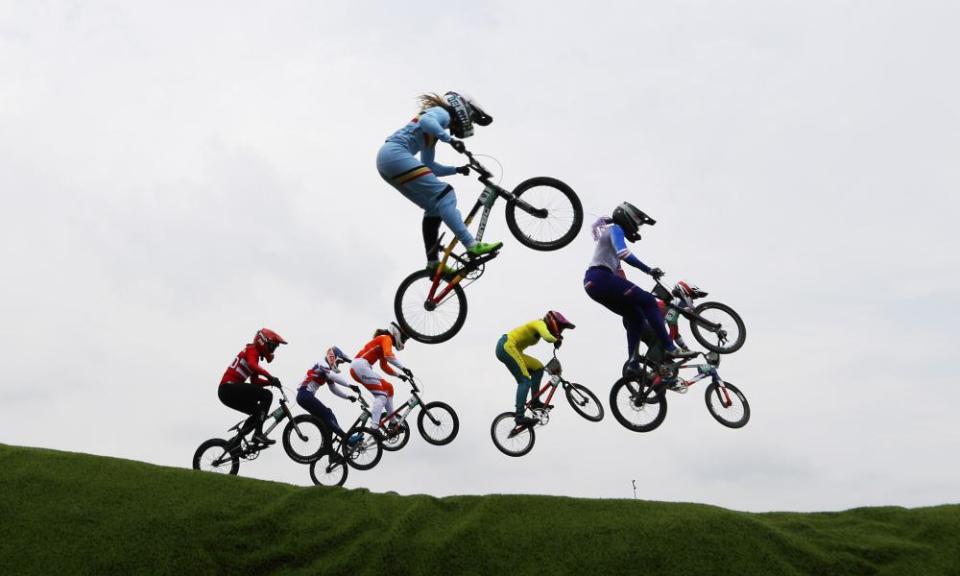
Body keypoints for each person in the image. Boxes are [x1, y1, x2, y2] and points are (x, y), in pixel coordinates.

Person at [376, 91, 502, 275]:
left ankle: (433, 263)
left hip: (388, 162)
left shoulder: (431, 137)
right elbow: (427, 121)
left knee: (434, 207)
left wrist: (457, 169)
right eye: (472, 118)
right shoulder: (442, 113)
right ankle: (471, 244)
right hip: (395, 155)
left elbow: (429, 165)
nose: (471, 122)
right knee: (446, 194)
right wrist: (449, 139)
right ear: (463, 109)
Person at [583, 202, 697, 372]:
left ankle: (633, 364)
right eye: (638, 224)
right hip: (600, 277)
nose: (637, 228)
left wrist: (631, 290)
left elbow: (619, 273)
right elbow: (624, 253)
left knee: (635, 316)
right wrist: (648, 270)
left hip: (593, 285)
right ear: (628, 218)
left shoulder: (609, 239)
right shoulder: (616, 229)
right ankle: (670, 348)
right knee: (649, 300)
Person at [495, 311, 575, 427]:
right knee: (525, 380)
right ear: (552, 322)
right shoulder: (539, 324)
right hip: (506, 346)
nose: (560, 332)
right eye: (560, 328)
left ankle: (535, 402)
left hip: (512, 350)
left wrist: (556, 339)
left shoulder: (539, 329)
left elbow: (548, 336)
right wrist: (556, 339)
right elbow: (547, 337)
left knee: (538, 367)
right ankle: (519, 417)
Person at [219, 328, 287, 446]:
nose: (272, 350)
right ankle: (258, 434)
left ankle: (236, 442)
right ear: (263, 342)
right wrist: (270, 377)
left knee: (258, 413)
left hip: (227, 392)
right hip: (228, 388)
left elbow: (254, 381)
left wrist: (270, 383)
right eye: (272, 346)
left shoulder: (254, 355)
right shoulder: (252, 350)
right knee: (267, 395)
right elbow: (252, 365)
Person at [349, 322, 410, 430]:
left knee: (388, 388)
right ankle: (374, 427)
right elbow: (388, 355)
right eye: (404, 338)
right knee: (381, 396)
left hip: (361, 367)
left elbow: (384, 366)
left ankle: (392, 421)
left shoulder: (384, 340)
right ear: (397, 333)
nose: (404, 341)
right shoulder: (387, 338)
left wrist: (399, 375)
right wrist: (403, 368)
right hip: (360, 366)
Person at [296, 346, 358, 438]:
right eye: (338, 362)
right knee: (327, 414)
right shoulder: (322, 363)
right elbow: (333, 376)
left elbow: (333, 388)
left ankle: (328, 446)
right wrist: (350, 385)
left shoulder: (326, 372)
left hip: (305, 396)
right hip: (304, 394)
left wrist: (347, 396)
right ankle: (346, 438)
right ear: (333, 357)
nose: (338, 365)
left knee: (328, 417)